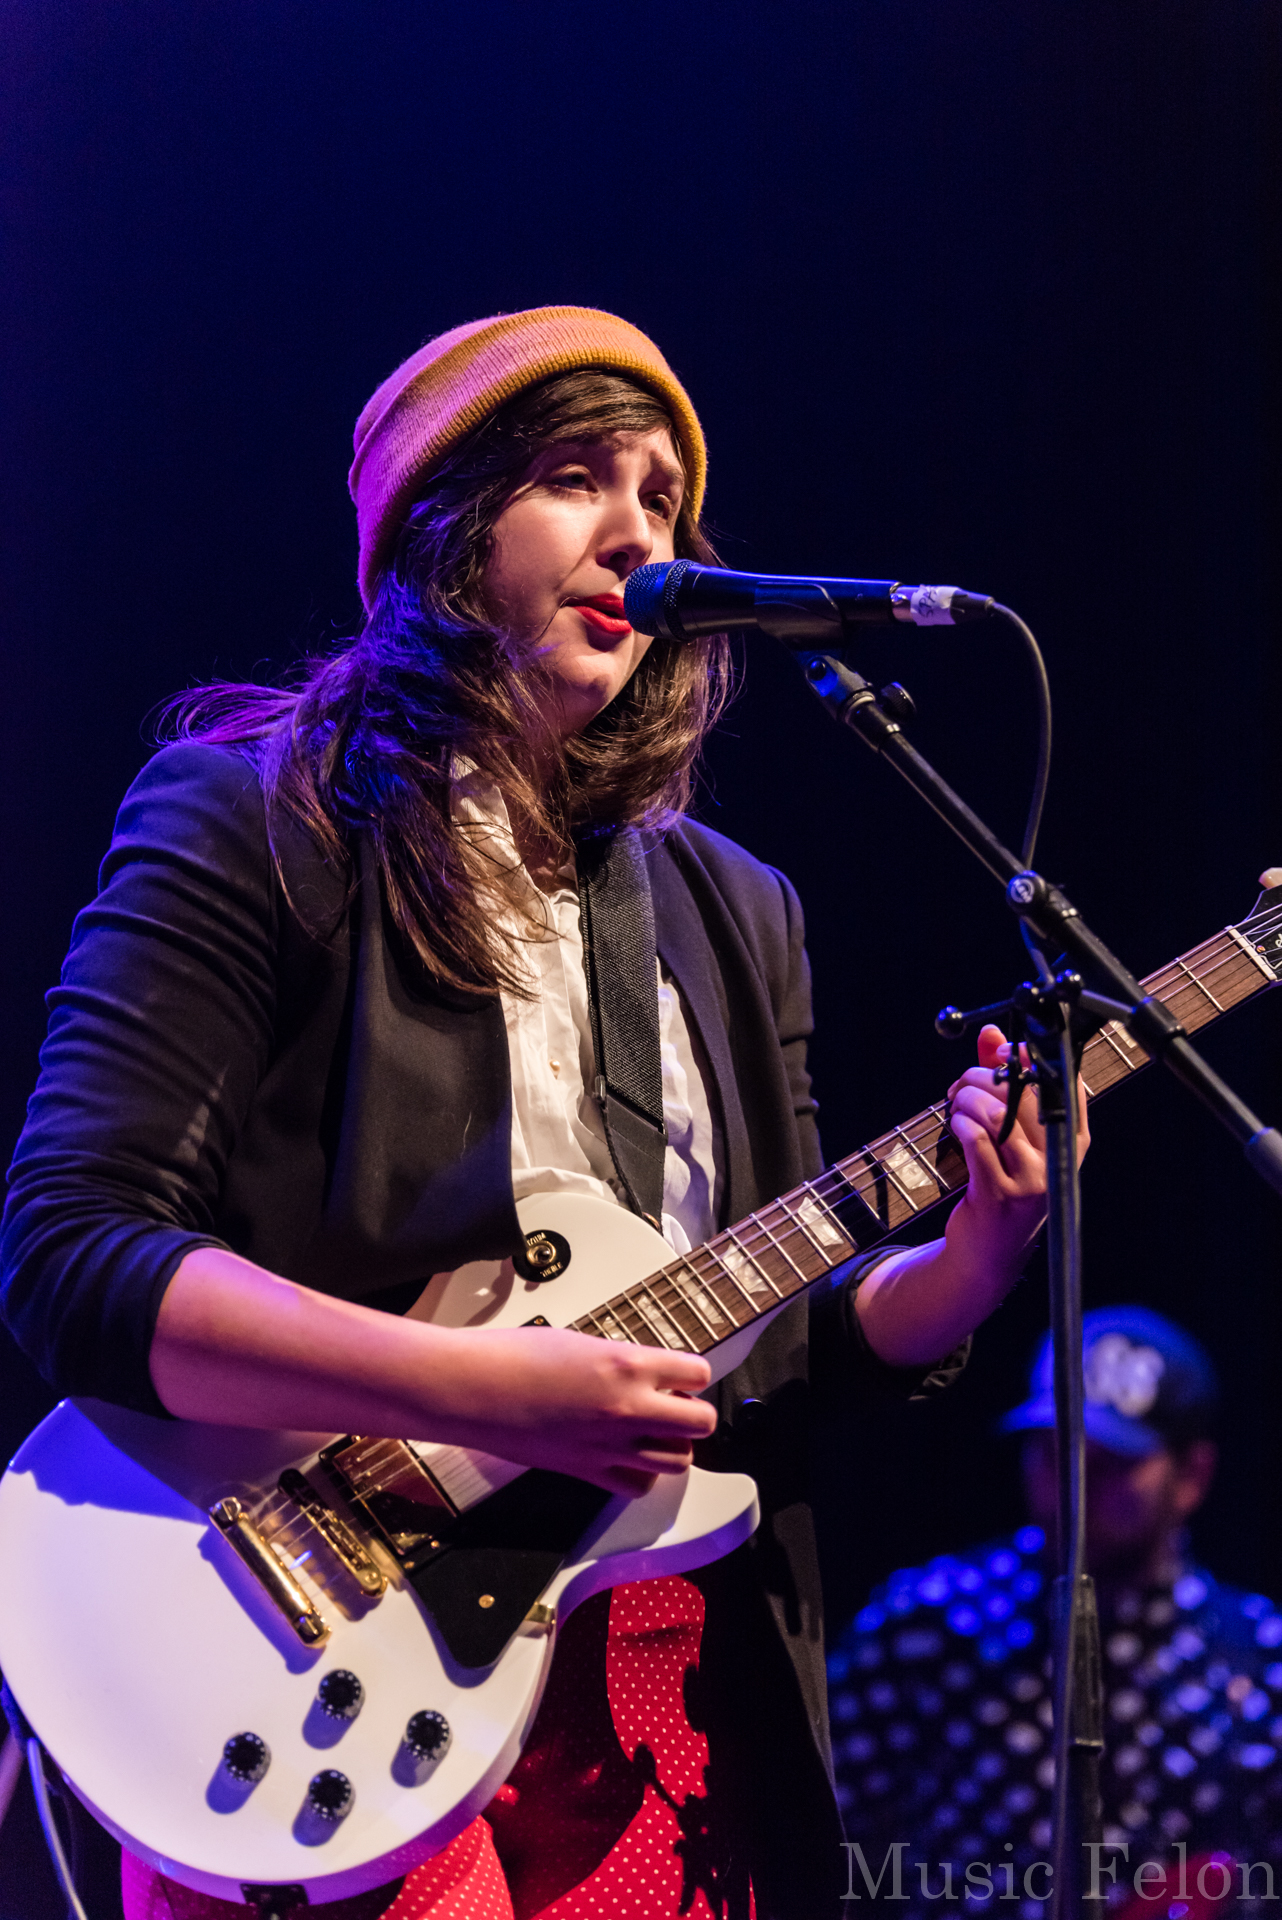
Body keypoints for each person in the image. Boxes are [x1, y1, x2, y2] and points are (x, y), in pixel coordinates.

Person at [1, 306, 1076, 1920]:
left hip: (660, 1687)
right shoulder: (253, 819)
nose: (636, 530)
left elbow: (766, 1350)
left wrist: (970, 1260)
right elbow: (74, 1258)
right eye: (576, 476)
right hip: (323, 1652)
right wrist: (481, 1388)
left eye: (661, 496)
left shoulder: (737, 910)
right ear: (441, 529)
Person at [828, 1307, 1282, 1912]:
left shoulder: (1262, 1659)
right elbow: (814, 1833)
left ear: (1192, 1476)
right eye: (1054, 1452)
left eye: (1113, 1464)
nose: (1076, 1485)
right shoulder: (927, 1622)